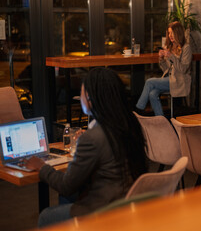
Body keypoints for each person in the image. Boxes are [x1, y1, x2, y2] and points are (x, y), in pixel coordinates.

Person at [24, 67, 148, 227]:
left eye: (81, 91)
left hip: (106, 209)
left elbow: (66, 185)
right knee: (68, 197)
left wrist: (41, 167)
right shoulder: (129, 124)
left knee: (46, 216)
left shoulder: (93, 137)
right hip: (128, 202)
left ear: (89, 97)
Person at [136, 21, 192, 116]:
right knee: (152, 94)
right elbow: (165, 69)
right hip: (168, 79)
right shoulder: (169, 47)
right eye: (169, 33)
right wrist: (161, 59)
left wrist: (171, 56)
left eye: (172, 33)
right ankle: (161, 120)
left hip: (179, 81)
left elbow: (183, 69)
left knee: (149, 82)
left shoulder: (186, 48)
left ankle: (138, 110)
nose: (170, 35)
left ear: (178, 33)